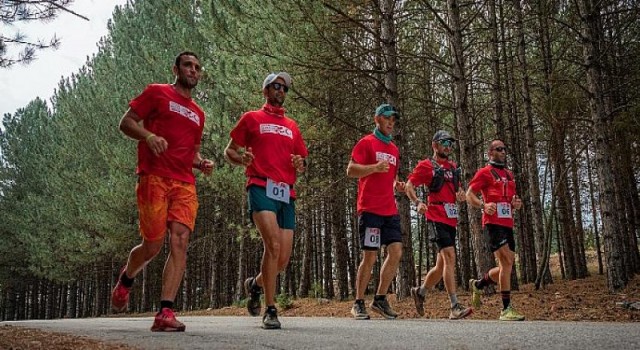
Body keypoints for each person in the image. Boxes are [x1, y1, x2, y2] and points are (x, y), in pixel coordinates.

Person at [110, 51, 214, 332]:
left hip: (184, 183)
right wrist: (149, 136)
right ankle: (128, 277)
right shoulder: (157, 93)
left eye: (196, 67)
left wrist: (201, 163)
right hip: (153, 177)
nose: (193, 70)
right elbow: (126, 122)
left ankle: (165, 312)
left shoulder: (198, 113)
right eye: (187, 65)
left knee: (180, 241)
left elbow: (191, 152)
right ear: (176, 69)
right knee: (153, 245)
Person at [223, 72, 308, 329]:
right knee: (272, 246)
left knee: (282, 259)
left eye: (284, 88)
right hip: (260, 186)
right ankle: (271, 309)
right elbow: (229, 151)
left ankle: (256, 285)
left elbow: (303, 160)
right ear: (265, 91)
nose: (281, 91)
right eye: (276, 86)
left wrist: (300, 163)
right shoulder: (251, 118)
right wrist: (241, 159)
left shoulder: (292, 126)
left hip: (286, 193)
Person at [405, 130, 473, 319]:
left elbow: (458, 192)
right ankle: (454, 306)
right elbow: (409, 185)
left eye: (450, 143)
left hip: (450, 218)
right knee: (450, 257)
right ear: (435, 145)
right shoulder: (426, 165)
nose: (448, 147)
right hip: (435, 216)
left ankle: (420, 292)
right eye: (444, 143)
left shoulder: (453, 167)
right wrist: (418, 202)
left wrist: (460, 197)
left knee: (441, 264)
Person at [347, 103, 405, 320]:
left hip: (389, 209)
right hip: (369, 208)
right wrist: (373, 168)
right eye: (387, 117)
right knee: (370, 256)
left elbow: (390, 177)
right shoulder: (366, 143)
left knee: (396, 251)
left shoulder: (394, 149)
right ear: (377, 119)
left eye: (394, 119)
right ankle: (358, 303)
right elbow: (351, 170)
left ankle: (380, 299)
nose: (391, 122)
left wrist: (397, 185)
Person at [466, 139, 524, 321]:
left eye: (505, 149)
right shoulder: (484, 172)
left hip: (507, 222)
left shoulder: (509, 174)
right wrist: (483, 205)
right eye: (499, 149)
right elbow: (469, 195)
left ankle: (479, 284)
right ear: (490, 153)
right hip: (493, 222)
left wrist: (516, 203)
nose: (503, 152)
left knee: (506, 265)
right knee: (507, 261)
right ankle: (506, 309)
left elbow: (513, 198)